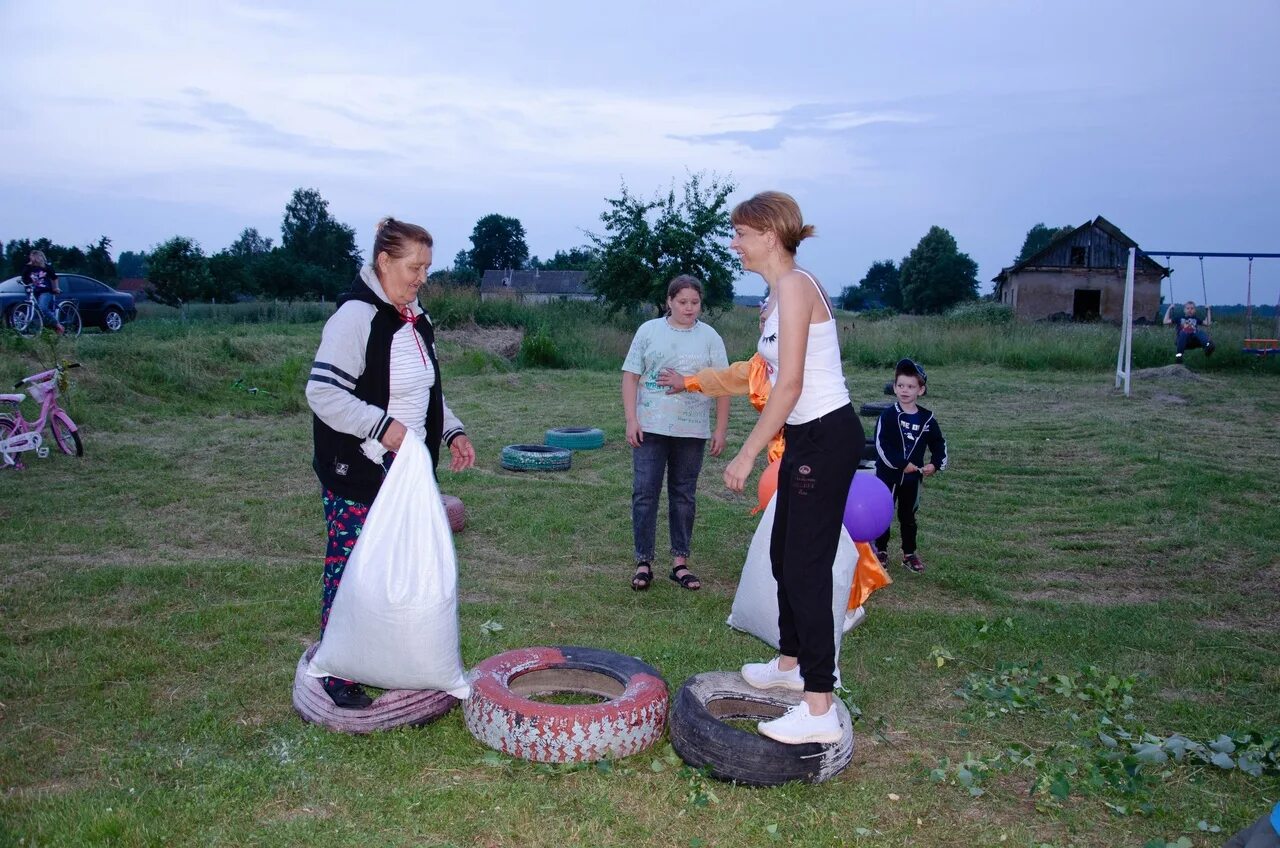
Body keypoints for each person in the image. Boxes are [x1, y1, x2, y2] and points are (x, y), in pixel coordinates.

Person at [305, 217, 476, 708]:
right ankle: (339, 672)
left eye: (427, 267)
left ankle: (400, 656)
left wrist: (451, 430)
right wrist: (382, 428)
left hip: (408, 475)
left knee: (404, 570)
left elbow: (422, 392)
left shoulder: (416, 319)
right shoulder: (355, 318)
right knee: (353, 566)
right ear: (383, 262)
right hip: (358, 470)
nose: (422, 277)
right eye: (413, 267)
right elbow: (322, 392)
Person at [723, 191, 862, 745]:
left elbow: (793, 384)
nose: (735, 244)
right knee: (785, 554)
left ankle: (819, 704)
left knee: (805, 568)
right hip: (807, 438)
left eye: (740, 234)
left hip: (826, 436)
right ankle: (790, 663)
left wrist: (747, 451)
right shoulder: (778, 293)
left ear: (767, 235)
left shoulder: (797, 287)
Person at [657, 348, 891, 631]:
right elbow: (727, 378)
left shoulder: (806, 359)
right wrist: (688, 382)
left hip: (815, 451)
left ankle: (848, 602)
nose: (766, 326)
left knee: (828, 527)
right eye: (763, 321)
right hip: (781, 456)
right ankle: (785, 607)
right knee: (787, 534)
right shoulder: (758, 366)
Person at [622, 275, 730, 592]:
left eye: (695, 303)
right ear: (669, 301)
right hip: (650, 428)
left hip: (692, 430)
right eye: (682, 302)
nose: (689, 308)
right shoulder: (648, 331)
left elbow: (723, 386)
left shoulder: (710, 338)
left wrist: (720, 429)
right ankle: (644, 562)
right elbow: (630, 377)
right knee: (645, 492)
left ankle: (680, 563)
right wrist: (632, 419)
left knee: (683, 496)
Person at [873, 358, 948, 574]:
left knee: (908, 516)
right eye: (901, 385)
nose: (905, 390)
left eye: (911, 386)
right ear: (895, 387)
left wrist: (935, 464)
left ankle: (909, 553)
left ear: (921, 390)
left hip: (913, 479)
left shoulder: (927, 419)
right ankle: (881, 550)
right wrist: (901, 464)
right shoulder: (888, 416)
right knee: (884, 513)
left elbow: (938, 443)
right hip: (888, 476)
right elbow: (881, 445)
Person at [21, 250, 64, 334]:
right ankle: (41, 328)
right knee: (35, 310)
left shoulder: (46, 267)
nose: (33, 259)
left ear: (40, 257)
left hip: (45, 291)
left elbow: (54, 278)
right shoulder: (28, 267)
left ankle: (58, 325)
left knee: (43, 308)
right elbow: (24, 278)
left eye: (35, 257)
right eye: (32, 257)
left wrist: (56, 288)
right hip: (33, 291)